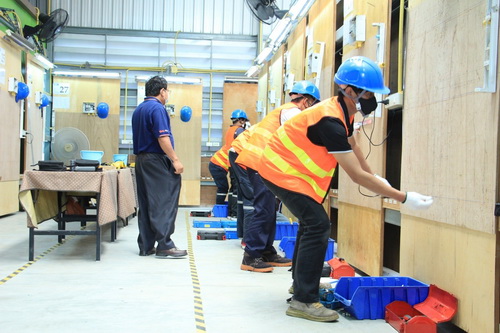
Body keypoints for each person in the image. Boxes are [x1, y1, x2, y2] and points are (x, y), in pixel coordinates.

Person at [259, 56, 433, 322]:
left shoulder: (342, 112)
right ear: (349, 91)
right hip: (280, 171)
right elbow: (355, 175)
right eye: (369, 93)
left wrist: (377, 177)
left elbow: (354, 148)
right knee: (318, 224)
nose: (372, 99)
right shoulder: (328, 120)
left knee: (311, 224)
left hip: (290, 174)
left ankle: (302, 286)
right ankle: (303, 301)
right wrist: (403, 198)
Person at [236, 81, 321, 273]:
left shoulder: (287, 110)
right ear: (307, 101)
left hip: (266, 163)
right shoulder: (292, 111)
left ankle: (266, 250)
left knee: (269, 208)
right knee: (263, 208)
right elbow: (302, 137)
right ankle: (251, 255)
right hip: (261, 162)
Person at [131, 75, 187, 259]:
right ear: (162, 91)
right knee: (164, 201)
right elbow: (162, 137)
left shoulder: (139, 109)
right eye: (167, 90)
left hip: (142, 160)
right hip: (156, 160)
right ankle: (165, 245)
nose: (167, 94)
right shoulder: (157, 108)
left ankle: (146, 245)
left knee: (147, 203)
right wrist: (175, 160)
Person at [208, 109, 248, 216]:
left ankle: (228, 211)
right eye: (244, 121)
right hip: (230, 163)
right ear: (241, 120)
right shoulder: (239, 131)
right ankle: (232, 213)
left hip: (228, 163)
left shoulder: (231, 130)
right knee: (233, 188)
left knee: (231, 188)